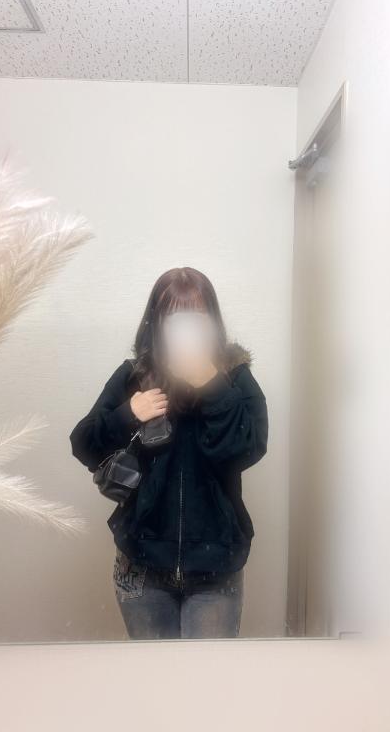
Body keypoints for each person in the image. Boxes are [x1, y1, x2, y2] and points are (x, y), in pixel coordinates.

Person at [69, 267, 268, 639]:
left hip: (216, 569)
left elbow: (247, 449)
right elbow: (84, 444)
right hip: (141, 566)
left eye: (197, 318)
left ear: (212, 323)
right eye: (175, 319)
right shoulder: (135, 375)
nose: (186, 330)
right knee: (151, 673)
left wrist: (212, 386)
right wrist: (129, 413)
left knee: (207, 674)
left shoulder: (236, 378)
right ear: (157, 323)